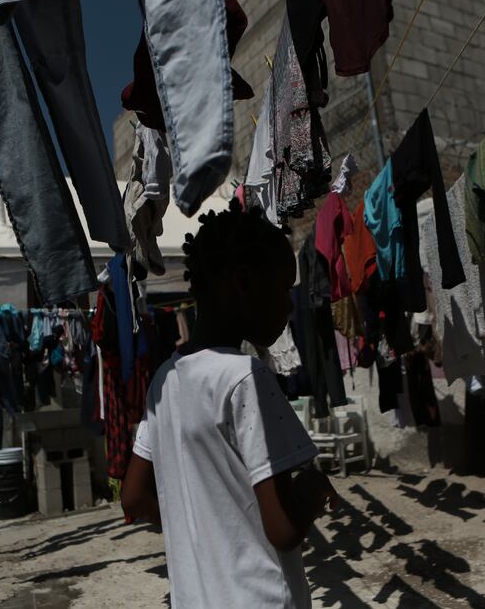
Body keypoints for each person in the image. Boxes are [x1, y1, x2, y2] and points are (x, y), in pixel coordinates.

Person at [122, 201, 339, 608]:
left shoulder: (163, 382)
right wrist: (314, 486)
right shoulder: (245, 377)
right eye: (282, 290)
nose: (290, 306)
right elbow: (284, 530)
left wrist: (203, 530)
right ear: (242, 284)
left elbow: (133, 498)